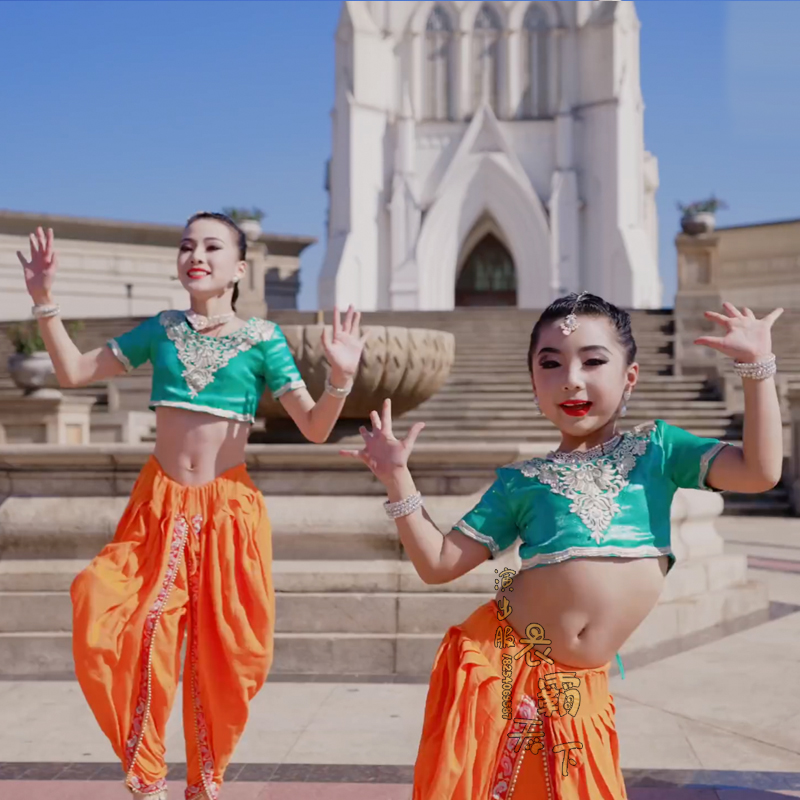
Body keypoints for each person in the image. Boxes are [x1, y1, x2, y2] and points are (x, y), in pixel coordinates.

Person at [341, 292, 783, 800]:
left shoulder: (658, 450)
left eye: (593, 361)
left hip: (580, 690)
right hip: (502, 670)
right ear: (533, 384)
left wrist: (758, 369)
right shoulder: (522, 481)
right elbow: (439, 564)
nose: (571, 378)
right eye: (550, 364)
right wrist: (397, 478)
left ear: (630, 378)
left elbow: (760, 471)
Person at [17, 215, 368, 800]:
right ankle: (148, 777)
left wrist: (339, 378)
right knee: (120, 614)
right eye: (186, 245)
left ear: (239, 267)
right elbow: (74, 372)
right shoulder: (161, 330)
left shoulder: (263, 339)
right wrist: (44, 299)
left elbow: (313, 427)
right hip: (158, 505)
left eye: (211, 246)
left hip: (228, 512)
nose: (195, 255)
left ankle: (206, 783)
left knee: (226, 656)